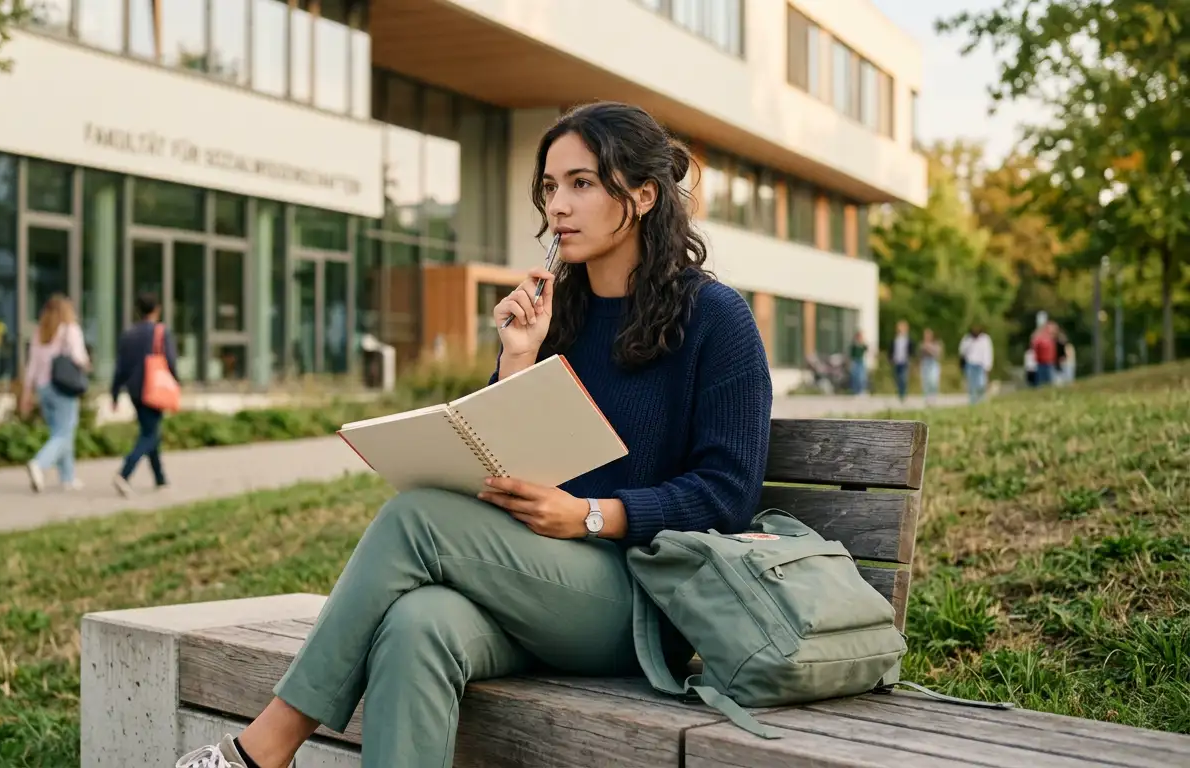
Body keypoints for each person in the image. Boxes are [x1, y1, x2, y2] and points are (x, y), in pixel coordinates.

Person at [177, 101, 774, 768]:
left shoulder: (716, 318)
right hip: (535, 584)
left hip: (642, 604)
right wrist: (520, 355)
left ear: (641, 195)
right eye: (550, 187)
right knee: (416, 625)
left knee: (415, 519)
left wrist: (591, 516)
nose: (559, 207)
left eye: (582, 183)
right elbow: (506, 461)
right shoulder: (560, 315)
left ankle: (265, 747)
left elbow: (727, 495)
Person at [20, 294, 90, 492]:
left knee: (59, 432)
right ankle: (39, 464)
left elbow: (32, 365)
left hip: (43, 388)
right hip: (62, 387)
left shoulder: (39, 332)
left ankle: (67, 478)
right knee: (65, 431)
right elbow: (77, 356)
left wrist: (27, 392)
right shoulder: (70, 330)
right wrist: (86, 363)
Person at [110, 292, 178, 497]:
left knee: (150, 431)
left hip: (134, 390)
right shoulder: (160, 332)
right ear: (156, 309)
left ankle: (160, 478)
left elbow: (120, 367)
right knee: (150, 434)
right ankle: (124, 473)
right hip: (154, 389)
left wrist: (114, 393)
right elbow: (171, 361)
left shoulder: (128, 334)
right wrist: (175, 383)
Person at [959, 323, 994, 405]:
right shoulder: (967, 339)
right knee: (971, 386)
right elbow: (962, 352)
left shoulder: (985, 339)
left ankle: (981, 401)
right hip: (970, 364)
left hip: (981, 365)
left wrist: (988, 366)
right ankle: (973, 402)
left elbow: (988, 353)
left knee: (981, 384)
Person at [890, 319, 913, 401]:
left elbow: (911, 350)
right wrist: (891, 358)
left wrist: (910, 358)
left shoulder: (908, 340)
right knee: (897, 378)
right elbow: (892, 350)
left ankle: (903, 394)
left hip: (905, 361)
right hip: (897, 361)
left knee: (903, 378)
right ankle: (900, 392)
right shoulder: (895, 340)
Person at [919, 328, 942, 405]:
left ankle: (933, 397)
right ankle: (927, 399)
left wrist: (929, 349)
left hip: (933, 364)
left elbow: (938, 354)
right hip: (925, 364)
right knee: (926, 382)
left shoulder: (936, 344)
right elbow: (920, 356)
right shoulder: (922, 344)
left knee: (933, 381)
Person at [848, 330, 869, 396]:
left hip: (861, 361)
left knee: (861, 376)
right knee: (855, 376)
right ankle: (855, 390)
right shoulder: (854, 345)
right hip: (855, 361)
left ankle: (861, 390)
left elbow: (866, 348)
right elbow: (851, 354)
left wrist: (862, 342)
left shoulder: (862, 345)